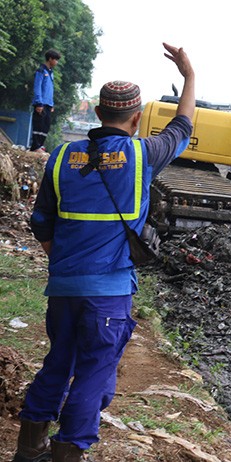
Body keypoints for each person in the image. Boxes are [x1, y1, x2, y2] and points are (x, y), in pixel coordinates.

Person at [14, 43, 195, 462]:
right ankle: (67, 454)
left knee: (58, 362)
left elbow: (40, 223)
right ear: (136, 118)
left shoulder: (59, 158)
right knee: (93, 374)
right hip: (108, 294)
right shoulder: (143, 154)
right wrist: (188, 76)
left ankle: (28, 450)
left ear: (97, 114)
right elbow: (182, 125)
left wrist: (62, 263)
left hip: (62, 289)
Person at [30, 49, 61, 153]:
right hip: (41, 103)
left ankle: (40, 145)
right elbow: (37, 87)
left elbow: (49, 89)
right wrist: (39, 103)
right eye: (56, 59)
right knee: (38, 124)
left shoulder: (51, 73)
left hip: (48, 104)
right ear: (50, 59)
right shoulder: (41, 71)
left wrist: (51, 104)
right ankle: (35, 146)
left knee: (45, 125)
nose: (56, 62)